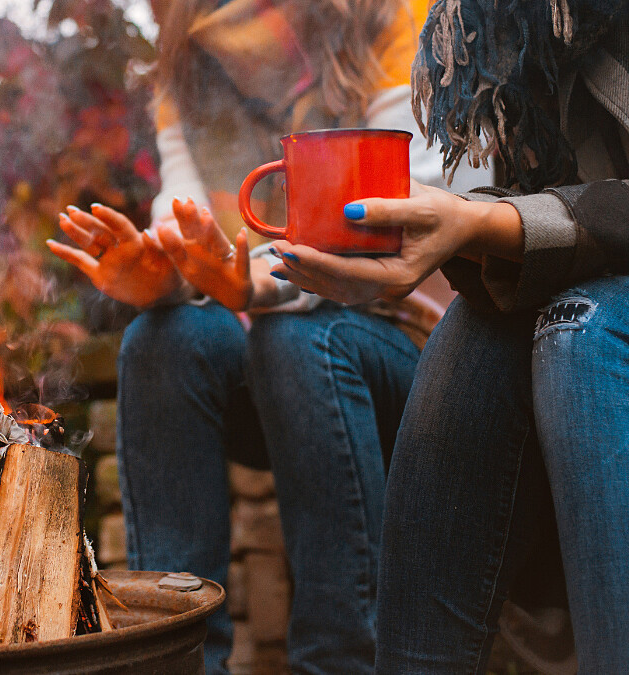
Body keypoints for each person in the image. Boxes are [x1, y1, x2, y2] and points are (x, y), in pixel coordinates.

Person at [48, 0, 488, 672]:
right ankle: (174, 657)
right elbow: (191, 231)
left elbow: (416, 220)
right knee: (162, 337)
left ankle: (344, 660)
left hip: (420, 359)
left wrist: (257, 286)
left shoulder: (398, 20)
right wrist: (162, 278)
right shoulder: (187, 58)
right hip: (281, 363)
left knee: (297, 338)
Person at [264, 0, 629, 670]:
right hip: (566, 267)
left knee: (581, 329)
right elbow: (534, 196)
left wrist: (479, 225)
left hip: (580, 304)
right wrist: (250, 281)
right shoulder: (502, 23)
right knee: (475, 333)